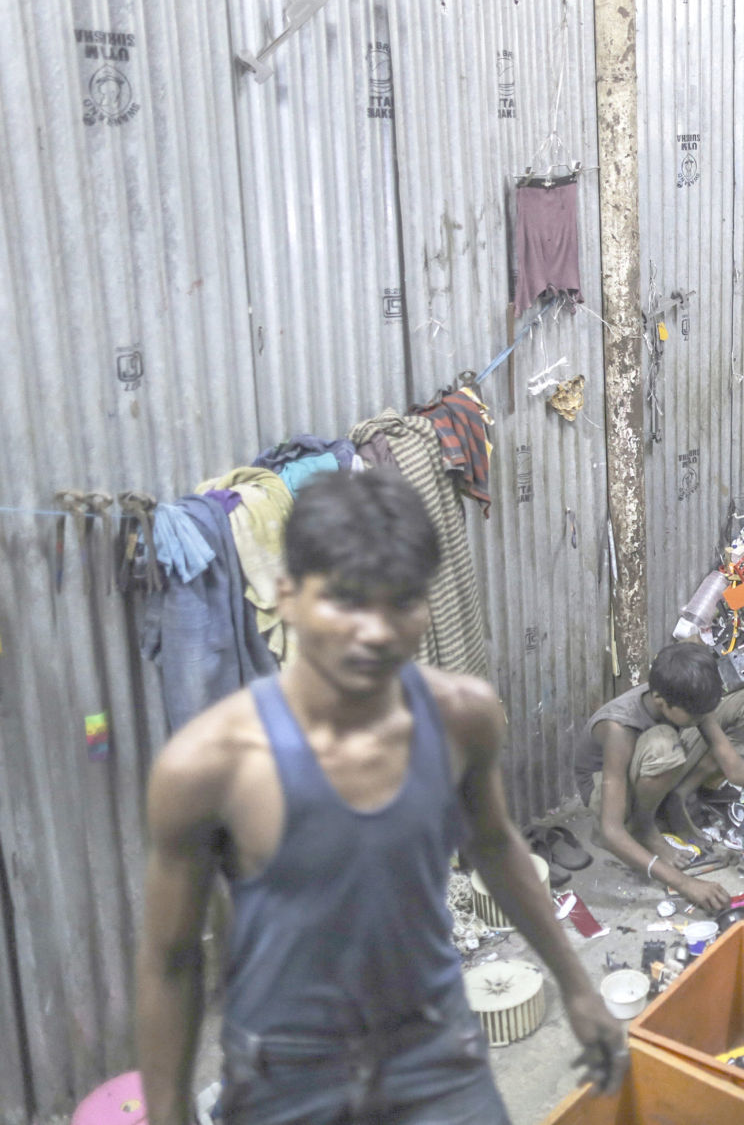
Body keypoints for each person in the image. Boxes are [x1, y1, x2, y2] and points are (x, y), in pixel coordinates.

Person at [135, 470, 626, 1125]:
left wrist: (577, 985)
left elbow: (495, 843)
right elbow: (171, 959)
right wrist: (168, 1111)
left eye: (400, 601)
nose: (374, 630)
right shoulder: (207, 764)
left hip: (433, 1052)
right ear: (287, 597)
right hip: (285, 1076)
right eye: (345, 600)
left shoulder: (462, 717)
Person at [575, 642, 744, 913]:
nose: (703, 719)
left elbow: (734, 769)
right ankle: (644, 827)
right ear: (660, 702)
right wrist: (684, 883)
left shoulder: (685, 701)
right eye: (697, 715)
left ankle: (676, 797)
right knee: (663, 746)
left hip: (653, 756)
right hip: (604, 785)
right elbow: (609, 831)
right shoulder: (619, 729)